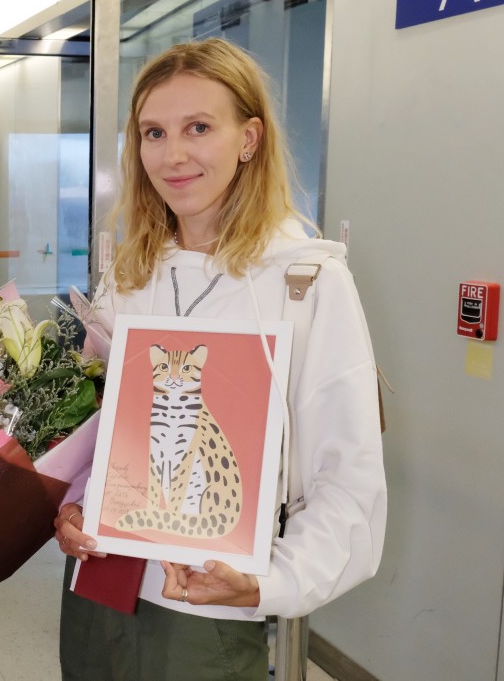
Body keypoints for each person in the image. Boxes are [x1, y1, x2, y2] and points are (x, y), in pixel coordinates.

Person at [52, 38, 387, 679]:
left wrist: (269, 584)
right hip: (99, 587)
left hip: (207, 608)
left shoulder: (307, 282)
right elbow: (96, 438)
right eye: (153, 132)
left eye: (198, 128)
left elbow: (349, 484)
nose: (172, 155)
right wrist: (72, 507)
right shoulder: (128, 276)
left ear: (249, 139)